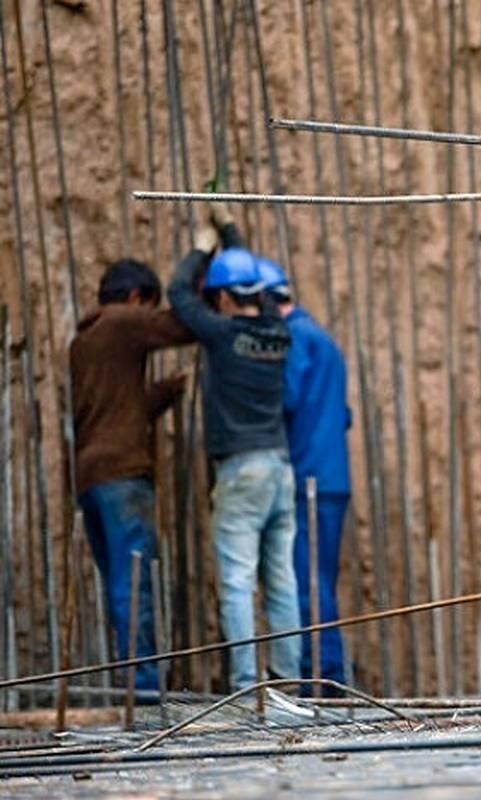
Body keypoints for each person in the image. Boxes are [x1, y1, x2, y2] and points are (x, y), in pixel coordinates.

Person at [167, 203, 300, 691]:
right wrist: (230, 231)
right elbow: (253, 285)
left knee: (238, 581)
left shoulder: (222, 336)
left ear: (222, 295)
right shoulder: (277, 331)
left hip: (242, 470)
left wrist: (203, 246)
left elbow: (179, 294)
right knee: (282, 580)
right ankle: (286, 679)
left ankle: (246, 685)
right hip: (280, 468)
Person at [70, 259, 192, 694]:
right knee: (134, 583)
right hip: (122, 475)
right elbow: (183, 326)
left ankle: (132, 682)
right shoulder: (123, 322)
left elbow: (118, 408)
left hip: (90, 477)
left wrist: (166, 392)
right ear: (137, 298)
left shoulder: (84, 339)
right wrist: (193, 277)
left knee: (119, 583)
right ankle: (141, 689)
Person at [256, 257, 352, 687]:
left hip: (307, 477)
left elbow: (286, 398)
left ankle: (323, 678)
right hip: (333, 475)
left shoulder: (293, 338)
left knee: (306, 582)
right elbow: (342, 414)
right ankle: (326, 674)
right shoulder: (324, 340)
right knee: (320, 578)